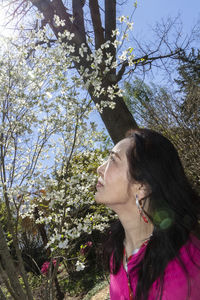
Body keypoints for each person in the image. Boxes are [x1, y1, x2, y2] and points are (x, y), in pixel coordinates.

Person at [95, 128, 200, 300]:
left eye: (113, 159)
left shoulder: (183, 275)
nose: (100, 168)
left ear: (142, 186)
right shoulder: (116, 251)